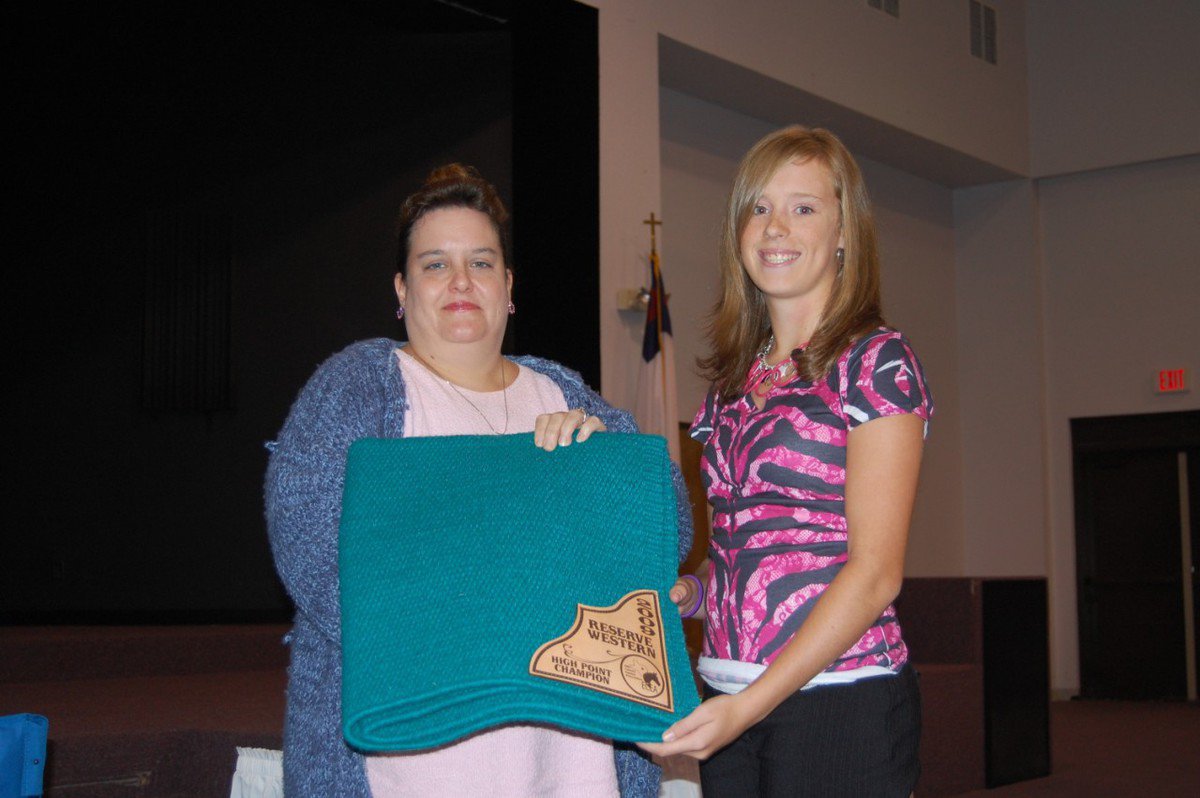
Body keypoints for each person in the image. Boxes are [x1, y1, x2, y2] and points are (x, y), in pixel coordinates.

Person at [265, 164, 693, 798]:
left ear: (510, 286)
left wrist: (605, 472)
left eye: (483, 263)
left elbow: (670, 526)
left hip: (569, 765)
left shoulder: (565, 393)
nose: (461, 280)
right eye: (435, 264)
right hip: (414, 760)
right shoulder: (358, 388)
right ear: (402, 289)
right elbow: (312, 552)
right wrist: (504, 624)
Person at [641, 126, 932, 797]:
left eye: (803, 207)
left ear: (843, 233)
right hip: (726, 690)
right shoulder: (732, 382)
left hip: (839, 699)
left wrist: (749, 705)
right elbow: (755, 551)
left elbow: (876, 575)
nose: (775, 227)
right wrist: (695, 593)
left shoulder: (877, 362)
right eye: (759, 207)